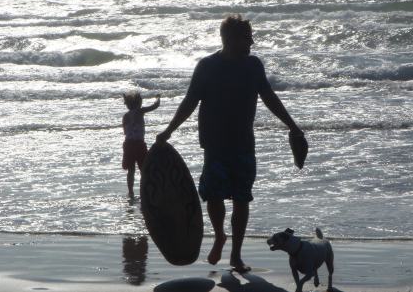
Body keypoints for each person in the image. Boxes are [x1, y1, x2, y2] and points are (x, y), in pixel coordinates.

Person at [156, 15, 304, 273]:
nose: (252, 42)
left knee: (241, 198)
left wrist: (293, 126)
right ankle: (219, 235)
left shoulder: (254, 66)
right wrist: (168, 131)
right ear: (231, 39)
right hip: (215, 144)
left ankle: (235, 254)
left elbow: (269, 97)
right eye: (247, 38)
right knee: (213, 196)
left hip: (243, 144)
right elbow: (190, 101)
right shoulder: (207, 66)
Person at [122, 91, 160, 196]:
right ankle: (144, 190)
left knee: (131, 170)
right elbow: (155, 106)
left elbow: (125, 131)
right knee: (144, 169)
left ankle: (130, 191)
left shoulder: (125, 116)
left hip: (128, 144)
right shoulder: (140, 111)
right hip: (139, 144)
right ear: (139, 104)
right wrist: (157, 97)